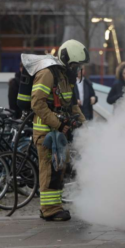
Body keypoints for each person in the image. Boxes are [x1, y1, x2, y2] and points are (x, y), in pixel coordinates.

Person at [31, 39, 88, 222]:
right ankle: (49, 210)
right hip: (46, 133)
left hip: (58, 133)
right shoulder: (48, 74)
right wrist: (58, 124)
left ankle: (55, 207)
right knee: (48, 170)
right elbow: (37, 104)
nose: (78, 69)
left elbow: (71, 105)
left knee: (58, 170)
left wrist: (84, 126)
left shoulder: (65, 78)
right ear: (66, 60)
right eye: (76, 65)